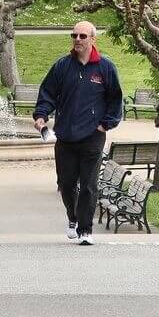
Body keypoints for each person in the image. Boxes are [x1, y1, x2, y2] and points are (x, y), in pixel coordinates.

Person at [33, 21, 124, 246]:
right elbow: (47, 93)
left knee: (89, 185)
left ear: (93, 39)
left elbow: (115, 99)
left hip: (93, 136)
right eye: (74, 35)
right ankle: (73, 218)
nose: (77, 39)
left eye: (83, 36)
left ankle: (85, 229)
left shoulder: (105, 67)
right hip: (65, 136)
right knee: (66, 183)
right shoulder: (62, 66)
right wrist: (41, 115)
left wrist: (106, 124)